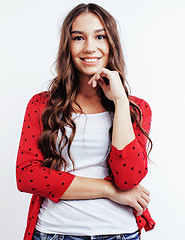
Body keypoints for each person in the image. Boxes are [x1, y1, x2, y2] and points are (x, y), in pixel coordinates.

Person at [16, 3, 155, 240]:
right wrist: (110, 191)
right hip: (55, 232)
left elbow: (129, 178)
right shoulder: (41, 105)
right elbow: (27, 176)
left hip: (119, 232)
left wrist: (120, 102)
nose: (90, 47)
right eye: (78, 38)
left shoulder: (136, 108)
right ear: (67, 46)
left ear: (111, 44)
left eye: (100, 36)